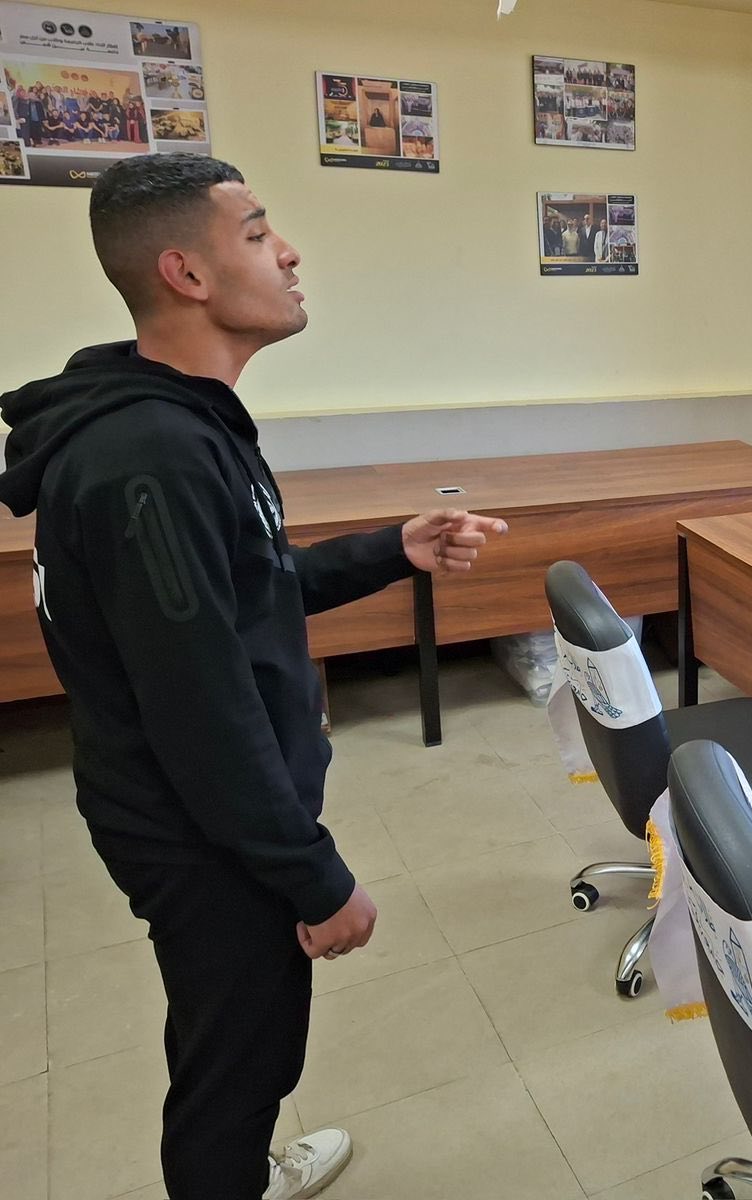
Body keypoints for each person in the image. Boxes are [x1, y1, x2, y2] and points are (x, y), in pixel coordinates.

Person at [0, 153, 508, 1200]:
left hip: (215, 813)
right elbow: (200, 705)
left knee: (246, 1045)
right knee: (233, 1070)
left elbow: (245, 595)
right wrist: (313, 875)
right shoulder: (150, 455)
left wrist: (392, 550)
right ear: (186, 273)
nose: (289, 252)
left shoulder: (175, 419)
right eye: (259, 232)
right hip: (199, 830)